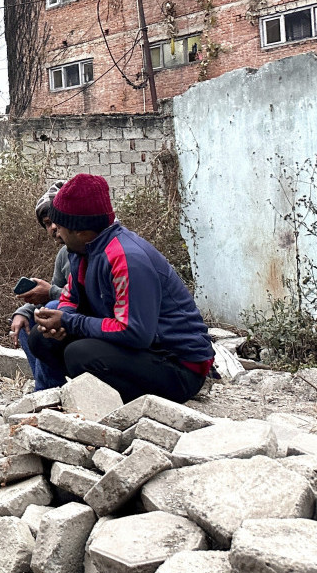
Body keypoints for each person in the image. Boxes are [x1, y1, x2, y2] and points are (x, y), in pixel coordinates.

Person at [24, 173, 214, 403]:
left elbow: (134, 332)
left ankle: (118, 406)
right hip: (142, 351)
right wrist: (62, 321)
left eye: (61, 226)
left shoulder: (126, 258)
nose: (57, 233)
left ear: (81, 231)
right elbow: (70, 298)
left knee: (79, 355)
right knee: (42, 339)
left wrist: (69, 322)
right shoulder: (82, 252)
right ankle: (59, 400)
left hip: (179, 366)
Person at [11, 181, 70, 390]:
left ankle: (45, 394)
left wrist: (50, 293)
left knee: (49, 313)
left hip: (92, 325)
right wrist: (22, 311)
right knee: (27, 320)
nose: (53, 227)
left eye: (57, 219)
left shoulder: (93, 250)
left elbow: (88, 296)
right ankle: (49, 390)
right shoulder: (64, 255)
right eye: (47, 223)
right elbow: (56, 293)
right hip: (72, 321)